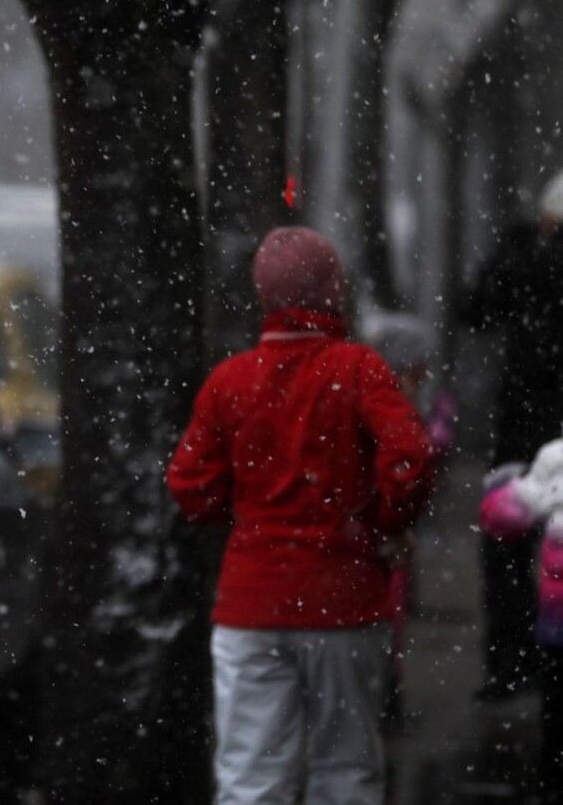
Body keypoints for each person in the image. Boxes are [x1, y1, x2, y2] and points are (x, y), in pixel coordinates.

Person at [168, 226, 435, 805]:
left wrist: (246, 512)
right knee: (346, 770)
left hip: (251, 605)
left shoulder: (230, 381)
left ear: (263, 295)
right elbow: (410, 457)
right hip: (344, 601)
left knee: (250, 777)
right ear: (334, 291)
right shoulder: (358, 370)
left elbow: (189, 485)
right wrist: (385, 522)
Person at [463, 169, 563, 699]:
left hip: (523, 429)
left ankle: (513, 661)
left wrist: (510, 251)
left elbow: (475, 310)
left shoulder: (526, 262)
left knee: (507, 544)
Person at [480, 441, 563, 803]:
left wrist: (500, 491)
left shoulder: (557, 458)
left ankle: (553, 783)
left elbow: (505, 518)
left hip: (558, 621)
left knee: (556, 714)